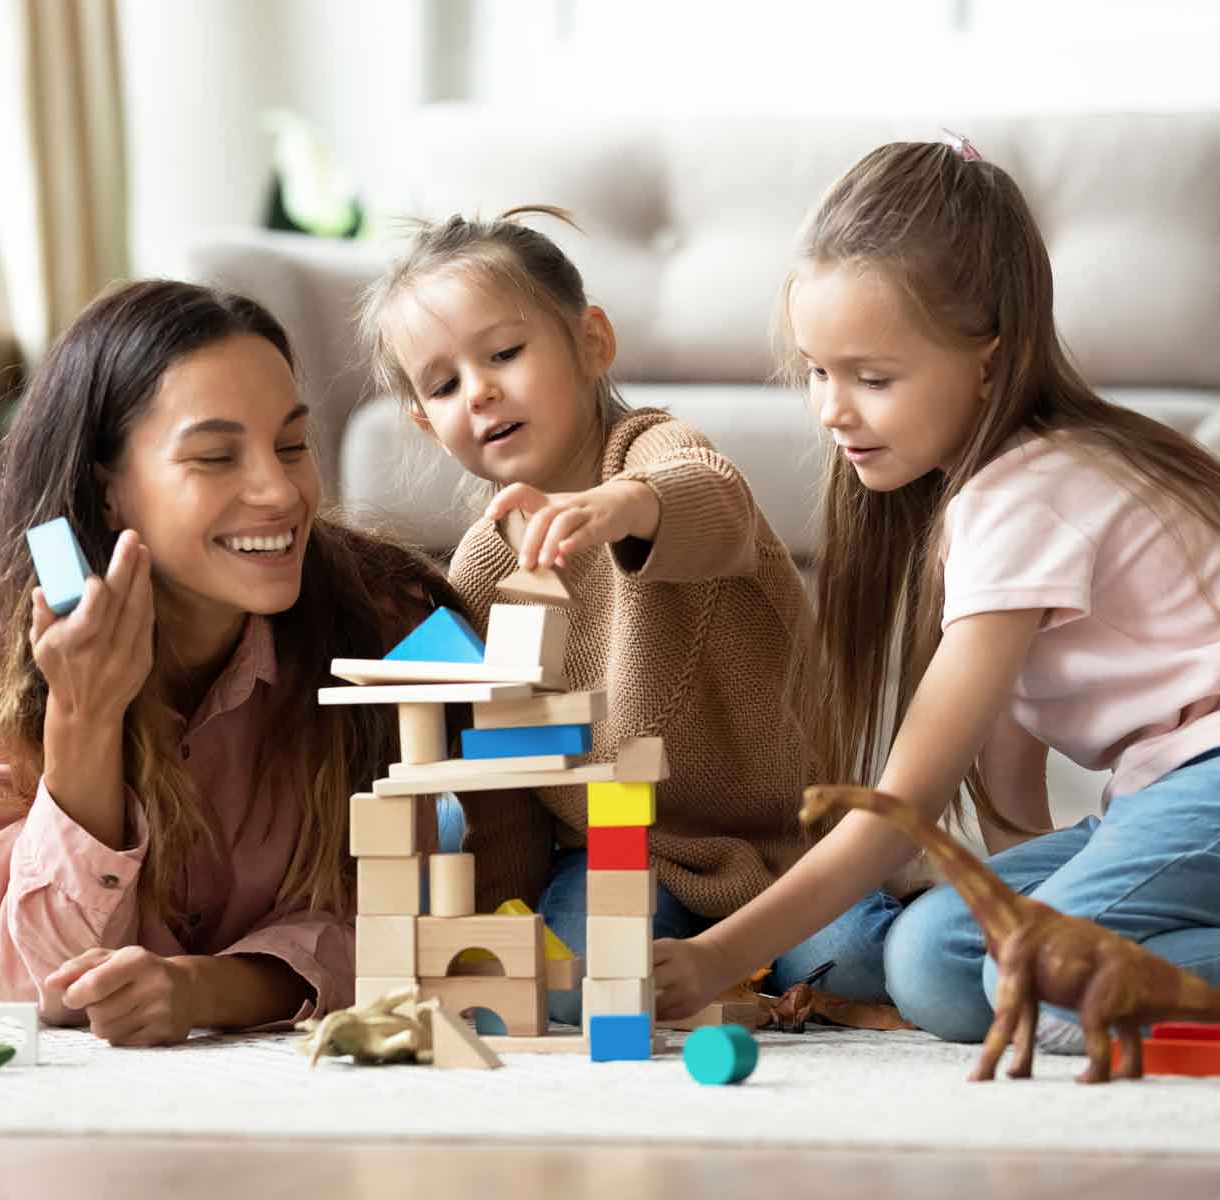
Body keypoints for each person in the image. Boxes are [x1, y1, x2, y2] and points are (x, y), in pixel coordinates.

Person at [652, 136, 1220, 1047]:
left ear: (990, 362)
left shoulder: (1025, 492)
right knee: (939, 962)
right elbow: (1005, 784)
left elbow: (902, 808)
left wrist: (717, 956)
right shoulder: (982, 502)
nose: (832, 408)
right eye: (817, 371)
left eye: (873, 379)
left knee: (1038, 974)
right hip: (1211, 797)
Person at [0, 280, 457, 1045]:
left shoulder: (388, 621)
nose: (280, 491)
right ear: (106, 486)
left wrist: (214, 988)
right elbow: (27, 980)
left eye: (291, 445)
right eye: (216, 456)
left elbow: (429, 915)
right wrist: (83, 716)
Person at [358, 206, 893, 1023]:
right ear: (427, 424)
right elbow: (502, 778)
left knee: (859, 959)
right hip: (620, 857)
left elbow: (713, 500)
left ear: (591, 344)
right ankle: (744, 995)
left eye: (504, 353)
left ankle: (770, 981)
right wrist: (503, 922)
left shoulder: (652, 451)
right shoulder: (481, 569)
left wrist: (618, 508)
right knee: (577, 981)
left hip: (792, 846)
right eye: (445, 383)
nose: (482, 390)